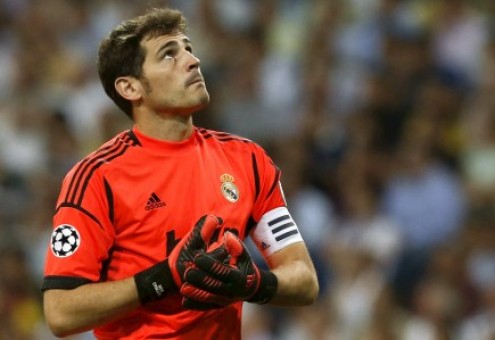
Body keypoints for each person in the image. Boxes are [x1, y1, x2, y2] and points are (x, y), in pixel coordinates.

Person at [41, 7, 319, 339]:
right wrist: (162, 279)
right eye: (169, 55)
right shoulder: (96, 178)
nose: (192, 60)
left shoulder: (247, 160)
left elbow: (304, 279)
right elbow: (60, 311)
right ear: (131, 88)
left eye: (188, 48)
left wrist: (253, 283)